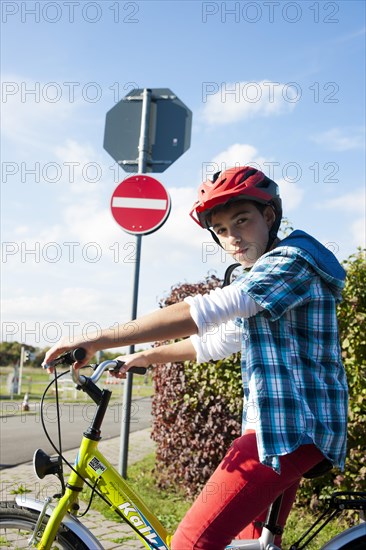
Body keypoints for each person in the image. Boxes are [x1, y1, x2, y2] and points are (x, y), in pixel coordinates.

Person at [43, 166, 348, 550]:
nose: (232, 238)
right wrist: (145, 357)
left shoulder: (292, 261)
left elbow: (209, 310)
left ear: (268, 216)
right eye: (220, 230)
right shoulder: (268, 281)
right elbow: (217, 342)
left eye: (242, 220)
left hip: (289, 432)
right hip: (280, 432)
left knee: (190, 543)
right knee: (249, 544)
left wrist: (99, 337)